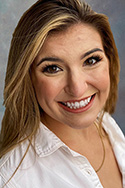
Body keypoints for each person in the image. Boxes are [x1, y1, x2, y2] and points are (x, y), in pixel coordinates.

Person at [0, 0, 125, 187]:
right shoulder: (12, 178)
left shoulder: (107, 124)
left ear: (109, 59)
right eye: (53, 68)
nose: (77, 89)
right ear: (28, 78)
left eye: (91, 60)